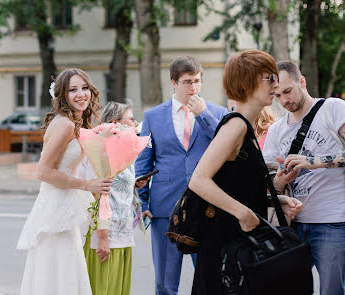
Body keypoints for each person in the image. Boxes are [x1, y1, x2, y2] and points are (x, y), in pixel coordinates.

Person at [188, 50, 303, 294]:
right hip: (225, 246)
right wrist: (243, 212)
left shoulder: (245, 127)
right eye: (269, 78)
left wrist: (274, 199)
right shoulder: (236, 125)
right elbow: (198, 180)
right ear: (247, 81)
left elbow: (236, 183)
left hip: (238, 244)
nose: (276, 85)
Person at [135, 56, 228, 295]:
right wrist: (142, 202)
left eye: (197, 81)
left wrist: (203, 115)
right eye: (188, 82)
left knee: (210, 280)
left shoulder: (216, 113)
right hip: (164, 209)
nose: (194, 88)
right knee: (166, 284)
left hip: (207, 208)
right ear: (174, 83)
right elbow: (143, 164)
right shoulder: (154, 116)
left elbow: (226, 147)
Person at [17, 69, 113, 295]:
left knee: (65, 269)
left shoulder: (75, 123)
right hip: (56, 209)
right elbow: (44, 172)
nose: (81, 94)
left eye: (84, 88)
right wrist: (86, 185)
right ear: (62, 95)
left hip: (63, 204)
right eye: (73, 90)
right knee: (58, 269)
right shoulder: (65, 124)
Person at [263, 60, 345, 295]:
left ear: (302, 81)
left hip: (333, 222)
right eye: (277, 95)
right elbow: (269, 186)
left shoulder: (332, 108)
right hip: (292, 226)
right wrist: (281, 180)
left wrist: (314, 161)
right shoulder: (276, 130)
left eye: (287, 91)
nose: (284, 100)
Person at [78, 100, 149, 295]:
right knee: (103, 289)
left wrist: (133, 184)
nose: (136, 124)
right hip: (105, 237)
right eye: (132, 119)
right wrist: (102, 239)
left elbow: (116, 186)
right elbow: (97, 195)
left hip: (122, 233)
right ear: (116, 123)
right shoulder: (99, 152)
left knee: (118, 289)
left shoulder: (125, 153)